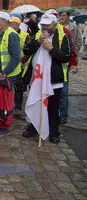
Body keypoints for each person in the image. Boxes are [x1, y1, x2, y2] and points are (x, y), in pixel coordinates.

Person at [22, 12, 73, 144]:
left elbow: (66, 56)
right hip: (37, 79)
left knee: (52, 108)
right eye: (43, 25)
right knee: (36, 103)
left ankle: (54, 132)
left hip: (53, 80)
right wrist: (38, 41)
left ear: (55, 25)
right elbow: (26, 50)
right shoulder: (38, 35)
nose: (45, 27)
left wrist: (51, 48)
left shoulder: (63, 37)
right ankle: (33, 126)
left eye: (48, 25)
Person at [58, 9, 81, 124]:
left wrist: (73, 60)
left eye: (63, 16)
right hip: (57, 63)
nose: (61, 17)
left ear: (68, 17)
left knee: (64, 90)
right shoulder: (56, 28)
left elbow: (77, 42)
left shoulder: (71, 29)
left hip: (66, 62)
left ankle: (63, 115)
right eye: (60, 16)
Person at [9, 17, 31, 118]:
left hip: (20, 67)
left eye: (14, 24)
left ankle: (18, 107)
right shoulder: (7, 34)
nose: (12, 26)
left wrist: (23, 61)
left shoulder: (25, 35)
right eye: (11, 24)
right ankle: (9, 107)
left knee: (19, 88)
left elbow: (28, 51)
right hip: (8, 65)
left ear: (18, 25)